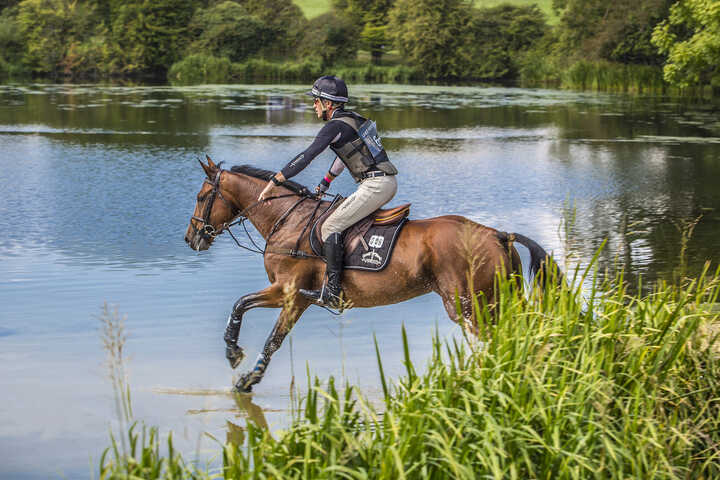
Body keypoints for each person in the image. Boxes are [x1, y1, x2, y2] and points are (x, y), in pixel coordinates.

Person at [258, 75, 399, 308]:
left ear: (328, 104)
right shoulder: (354, 120)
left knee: (330, 226)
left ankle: (332, 291)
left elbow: (307, 155)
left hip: (376, 185)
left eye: (316, 101)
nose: (313, 105)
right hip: (382, 182)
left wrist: (276, 180)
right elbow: (345, 157)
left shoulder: (334, 125)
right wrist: (326, 182)